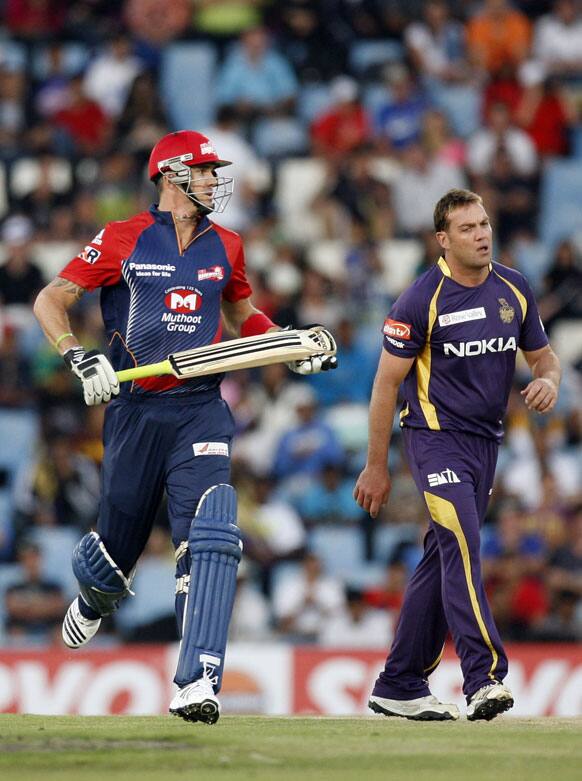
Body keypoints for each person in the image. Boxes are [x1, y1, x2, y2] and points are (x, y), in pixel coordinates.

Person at [33, 129, 336, 725]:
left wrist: (286, 345)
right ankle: (95, 593)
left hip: (200, 406)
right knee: (113, 556)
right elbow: (51, 299)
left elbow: (243, 313)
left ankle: (198, 680)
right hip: (134, 409)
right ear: (171, 175)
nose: (212, 181)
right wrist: (78, 355)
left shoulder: (227, 244)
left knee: (210, 535)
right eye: (202, 172)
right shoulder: (122, 238)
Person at [354, 188, 560, 722]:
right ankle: (483, 677)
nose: (483, 234)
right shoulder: (419, 300)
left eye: (485, 223)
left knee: (441, 555)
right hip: (433, 438)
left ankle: (399, 683)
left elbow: (543, 356)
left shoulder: (514, 287)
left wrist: (549, 379)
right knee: (465, 545)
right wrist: (376, 466)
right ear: (443, 240)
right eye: (468, 229)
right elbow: (384, 388)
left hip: (485, 445)